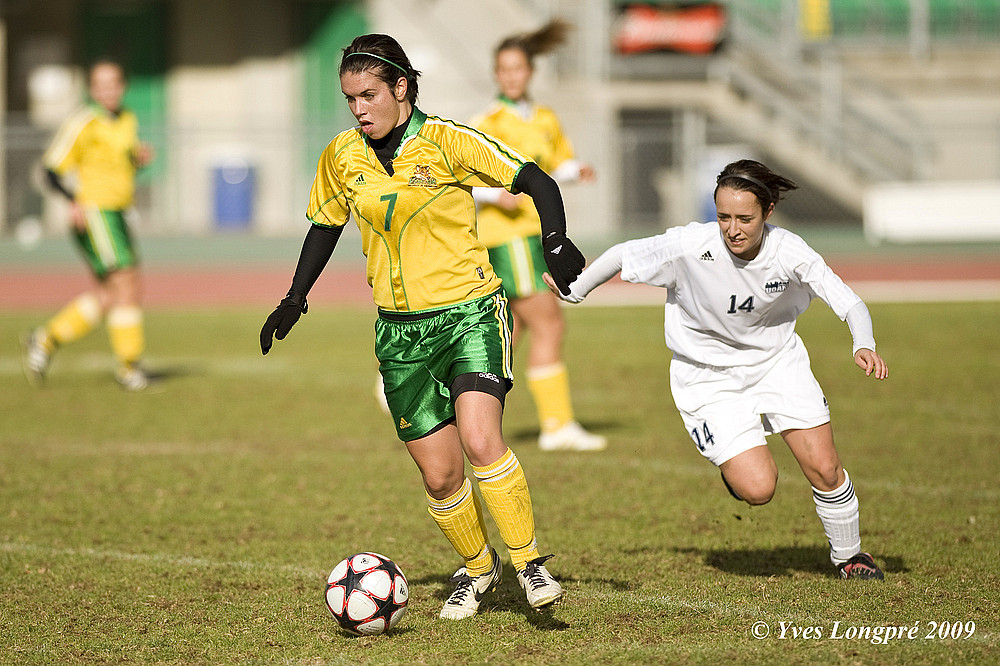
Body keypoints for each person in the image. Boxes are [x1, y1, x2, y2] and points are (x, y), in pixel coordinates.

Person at [259, 33, 585, 619]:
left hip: (470, 312)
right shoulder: (341, 155)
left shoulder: (446, 140)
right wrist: (294, 297)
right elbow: (325, 226)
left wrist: (556, 244)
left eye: (368, 95)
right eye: (349, 98)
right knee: (440, 476)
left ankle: (530, 564)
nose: (359, 109)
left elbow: (535, 179)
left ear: (401, 89)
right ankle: (478, 570)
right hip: (398, 331)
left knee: (482, 440)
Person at [548, 159, 887, 580]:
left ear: (768, 213)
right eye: (723, 216)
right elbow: (621, 254)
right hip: (706, 377)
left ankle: (851, 556)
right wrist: (576, 291)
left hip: (778, 363)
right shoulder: (690, 246)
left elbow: (848, 301)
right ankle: (735, 467)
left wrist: (863, 342)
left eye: (745, 218)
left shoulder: (789, 251)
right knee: (759, 489)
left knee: (824, 465)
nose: (733, 228)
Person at [471, 20, 606, 452]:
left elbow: (556, 164)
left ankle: (430, 383)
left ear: (530, 71)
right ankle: (556, 425)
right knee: (547, 321)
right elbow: (466, 176)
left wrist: (576, 169)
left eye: (518, 68)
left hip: (536, 233)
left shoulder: (545, 118)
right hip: (511, 236)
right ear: (497, 74)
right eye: (503, 69)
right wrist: (494, 196)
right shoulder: (486, 121)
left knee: (505, 331)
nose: (511, 76)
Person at [23, 58, 154, 391]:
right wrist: (73, 201)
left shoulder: (127, 119)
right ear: (93, 90)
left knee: (109, 295)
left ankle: (45, 339)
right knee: (126, 282)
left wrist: (136, 160)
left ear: (122, 86)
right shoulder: (84, 121)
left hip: (118, 212)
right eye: (101, 84)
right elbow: (50, 170)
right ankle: (129, 367)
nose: (108, 90)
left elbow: (118, 166)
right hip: (97, 212)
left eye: (114, 83)